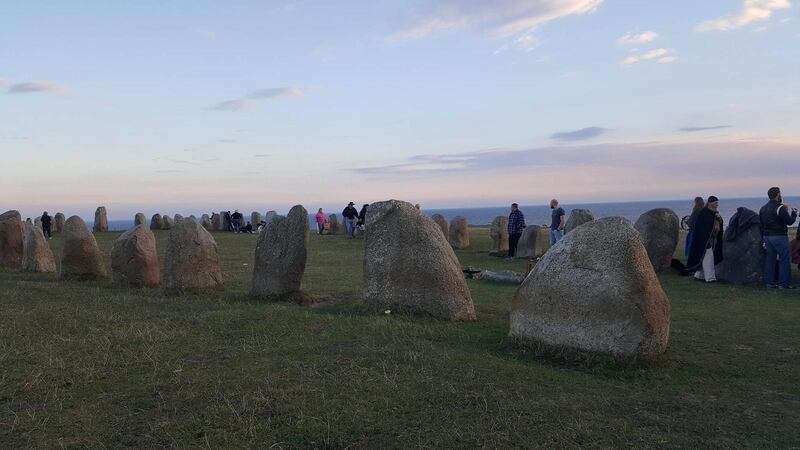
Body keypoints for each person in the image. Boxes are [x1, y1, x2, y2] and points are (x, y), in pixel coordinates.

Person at [759, 187, 797, 289]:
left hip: (767, 237)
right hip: (779, 236)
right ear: (777, 194)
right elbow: (789, 221)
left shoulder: (763, 208)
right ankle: (783, 284)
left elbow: (761, 225)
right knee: (785, 259)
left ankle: (769, 283)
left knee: (770, 260)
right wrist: (794, 214)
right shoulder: (780, 208)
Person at [684, 196, 724, 283]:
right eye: (715, 203)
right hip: (703, 239)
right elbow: (702, 226)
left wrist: (719, 219)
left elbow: (718, 223)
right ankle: (710, 278)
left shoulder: (714, 213)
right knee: (708, 257)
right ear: (710, 203)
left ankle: (699, 275)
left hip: (710, 238)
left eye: (717, 203)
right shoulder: (704, 213)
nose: (716, 205)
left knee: (703, 256)